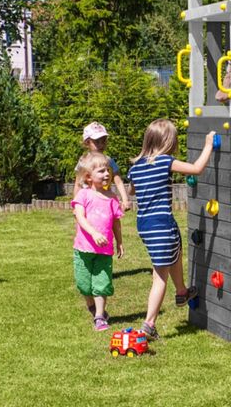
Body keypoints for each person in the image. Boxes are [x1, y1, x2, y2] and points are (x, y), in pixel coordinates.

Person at [128, 119, 215, 340]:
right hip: (161, 222)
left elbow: (131, 191)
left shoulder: (135, 167)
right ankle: (149, 324)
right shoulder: (165, 161)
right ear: (168, 142)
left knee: (175, 250)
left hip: (145, 224)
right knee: (159, 275)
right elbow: (196, 169)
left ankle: (182, 292)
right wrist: (207, 145)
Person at [72, 151, 124, 331]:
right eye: (101, 171)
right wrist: (94, 233)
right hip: (83, 248)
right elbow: (80, 216)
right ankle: (93, 307)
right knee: (84, 284)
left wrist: (120, 242)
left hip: (104, 250)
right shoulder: (84, 195)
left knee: (101, 283)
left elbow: (116, 222)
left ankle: (100, 316)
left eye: (108, 170)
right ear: (88, 177)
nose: (107, 174)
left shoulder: (111, 198)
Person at [81, 122, 131, 211]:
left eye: (103, 141)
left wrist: (125, 199)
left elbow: (118, 181)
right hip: (88, 201)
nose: (101, 145)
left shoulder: (109, 161)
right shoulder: (83, 161)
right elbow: (78, 183)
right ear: (87, 143)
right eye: (97, 142)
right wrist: (76, 205)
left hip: (105, 199)